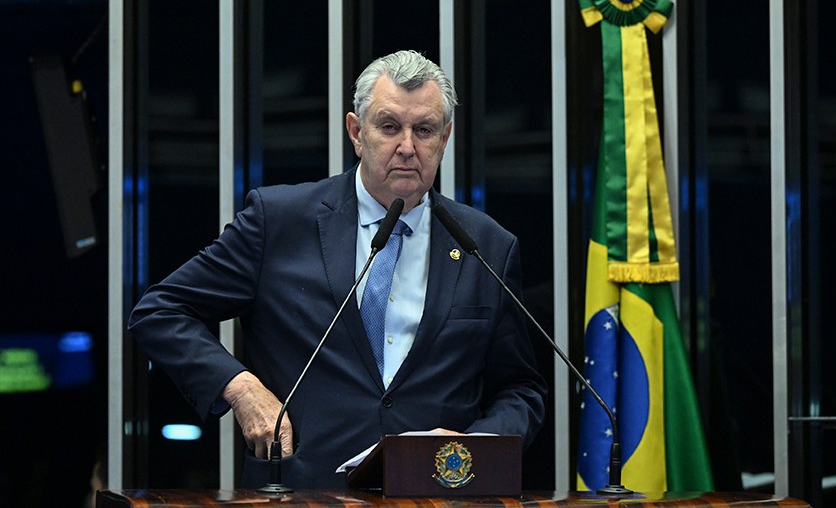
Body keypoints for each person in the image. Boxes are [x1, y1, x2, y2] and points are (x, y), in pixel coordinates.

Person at [128, 49, 547, 489]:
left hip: (434, 494)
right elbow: (160, 310)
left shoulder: (486, 245)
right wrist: (240, 387)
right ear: (356, 132)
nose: (407, 146)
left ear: (445, 139)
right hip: (300, 491)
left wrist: (471, 448)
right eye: (389, 127)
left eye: (424, 130)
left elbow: (521, 389)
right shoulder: (280, 221)